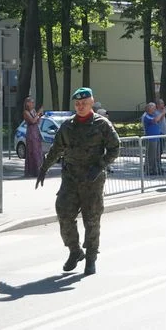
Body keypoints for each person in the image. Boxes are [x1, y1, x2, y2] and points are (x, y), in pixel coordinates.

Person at [35, 87, 120, 275]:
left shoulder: (102, 124)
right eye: (77, 104)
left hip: (92, 180)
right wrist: (44, 168)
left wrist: (100, 166)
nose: (80, 106)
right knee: (63, 213)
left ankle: (91, 257)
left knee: (91, 219)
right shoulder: (67, 126)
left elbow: (115, 148)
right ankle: (75, 251)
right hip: (71, 178)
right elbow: (57, 149)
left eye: (84, 103)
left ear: (91, 103)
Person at [23, 96, 44, 177]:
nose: (33, 104)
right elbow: (32, 121)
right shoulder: (26, 112)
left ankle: (38, 170)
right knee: (33, 151)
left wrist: (40, 115)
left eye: (33, 102)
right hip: (31, 132)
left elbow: (37, 121)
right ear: (27, 103)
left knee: (38, 151)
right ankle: (32, 171)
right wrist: (38, 113)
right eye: (31, 102)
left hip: (36, 131)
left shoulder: (33, 111)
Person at [142, 102, 164, 175]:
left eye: (155, 107)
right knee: (151, 155)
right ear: (149, 108)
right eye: (153, 108)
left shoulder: (153, 115)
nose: (155, 109)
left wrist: (162, 114)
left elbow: (159, 120)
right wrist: (162, 113)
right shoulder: (147, 116)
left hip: (157, 138)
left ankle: (156, 169)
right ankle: (149, 169)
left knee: (157, 155)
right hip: (151, 139)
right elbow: (155, 120)